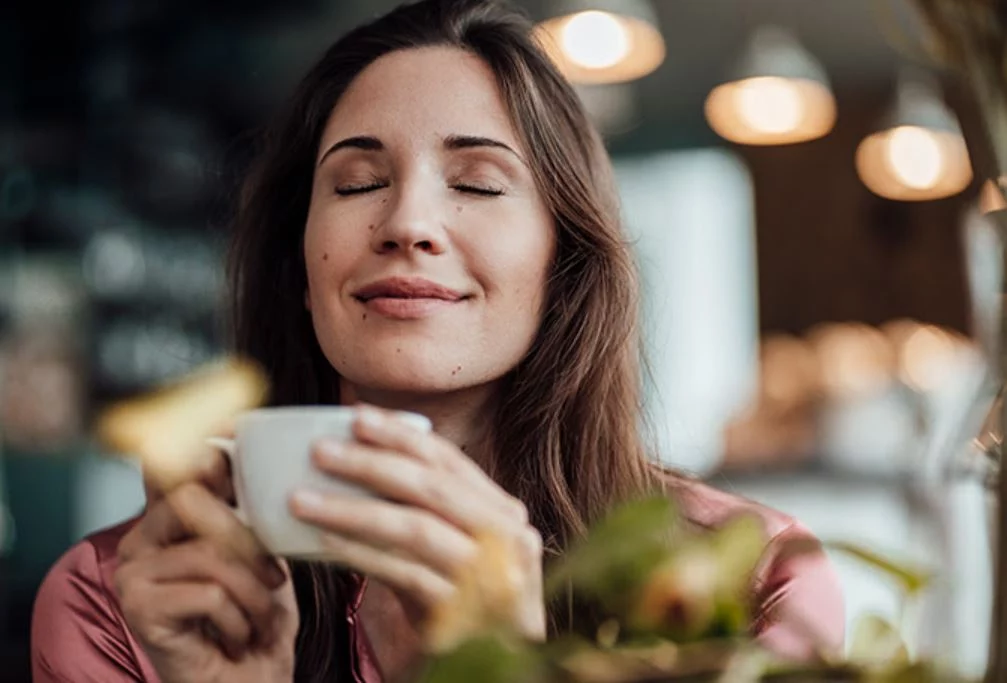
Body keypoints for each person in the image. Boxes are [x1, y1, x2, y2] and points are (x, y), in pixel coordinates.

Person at [31, 0, 845, 681]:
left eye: (477, 184)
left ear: (562, 265)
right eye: (357, 184)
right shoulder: (117, 601)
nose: (409, 223)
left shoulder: (748, 575)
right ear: (299, 267)